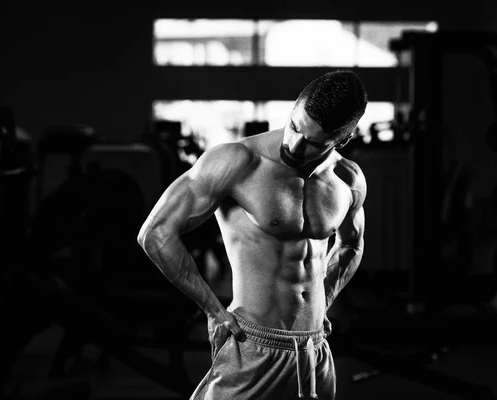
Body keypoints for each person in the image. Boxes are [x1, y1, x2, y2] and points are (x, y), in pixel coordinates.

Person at [137, 70, 368, 399]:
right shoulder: (238, 161)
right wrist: (213, 310)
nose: (295, 144)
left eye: (314, 142)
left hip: (315, 350)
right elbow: (156, 233)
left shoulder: (347, 178)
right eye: (294, 126)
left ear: (342, 140)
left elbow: (351, 245)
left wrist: (323, 302)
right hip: (253, 344)